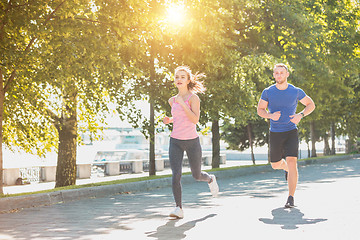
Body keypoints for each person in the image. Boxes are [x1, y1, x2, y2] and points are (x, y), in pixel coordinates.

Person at [163, 66, 219, 219]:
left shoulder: (193, 98)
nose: (179, 79)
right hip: (175, 141)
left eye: (182, 77)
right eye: (177, 77)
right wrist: (170, 120)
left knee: (196, 175)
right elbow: (180, 117)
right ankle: (178, 208)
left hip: (192, 142)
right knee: (176, 174)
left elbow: (194, 120)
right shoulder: (171, 100)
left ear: (188, 81)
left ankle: (210, 179)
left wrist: (182, 103)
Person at [257, 63, 315, 208]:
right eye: (276, 73)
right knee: (275, 164)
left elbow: (311, 104)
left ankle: (291, 197)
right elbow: (260, 110)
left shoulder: (295, 91)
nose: (279, 75)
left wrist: (300, 115)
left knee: (292, 162)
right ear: (274, 75)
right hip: (275, 132)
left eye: (281, 73)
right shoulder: (268, 92)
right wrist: (270, 115)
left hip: (291, 131)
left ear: (287, 74)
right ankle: (285, 168)